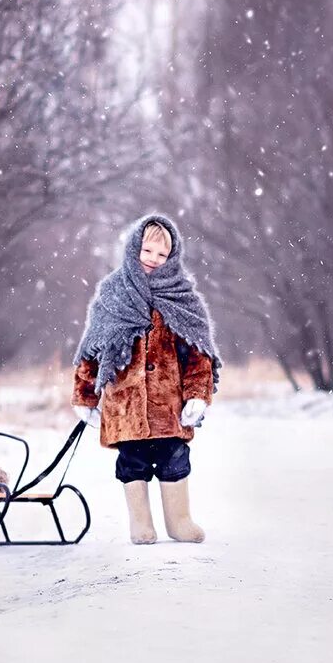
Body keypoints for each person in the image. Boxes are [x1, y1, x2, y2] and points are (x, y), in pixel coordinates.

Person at [71, 212, 222, 544]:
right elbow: (92, 350)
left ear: (173, 256)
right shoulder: (112, 294)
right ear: (133, 249)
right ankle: (141, 525)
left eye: (162, 254)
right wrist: (85, 395)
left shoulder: (183, 297)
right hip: (125, 406)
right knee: (132, 463)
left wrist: (198, 394)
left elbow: (199, 354)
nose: (154, 259)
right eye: (147, 251)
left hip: (169, 408)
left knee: (175, 460)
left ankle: (179, 522)